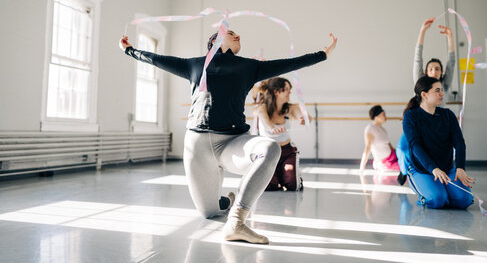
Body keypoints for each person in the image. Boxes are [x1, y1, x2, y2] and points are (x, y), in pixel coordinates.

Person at [119, 30, 337, 244]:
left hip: (233, 143)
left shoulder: (249, 66)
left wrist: (323, 54)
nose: (239, 36)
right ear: (215, 40)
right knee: (209, 212)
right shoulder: (195, 64)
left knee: (270, 149)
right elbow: (155, 59)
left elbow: (289, 63)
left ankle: (237, 221)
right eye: (232, 33)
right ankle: (228, 200)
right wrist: (129, 50)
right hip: (198, 147)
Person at [396, 17, 456, 184]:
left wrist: (450, 37)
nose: (434, 71)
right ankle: (404, 171)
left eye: (437, 69)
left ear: (441, 72)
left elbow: (452, 63)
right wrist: (422, 31)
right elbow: (417, 58)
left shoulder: (444, 84)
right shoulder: (420, 81)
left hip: (437, 127)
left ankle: (437, 174)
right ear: (426, 71)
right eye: (430, 68)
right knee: (403, 147)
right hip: (419, 123)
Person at [402, 76, 475, 209]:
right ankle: (429, 191)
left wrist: (460, 168)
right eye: (437, 90)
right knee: (437, 200)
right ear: (424, 94)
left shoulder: (448, 115)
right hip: (422, 170)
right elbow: (415, 146)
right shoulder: (411, 116)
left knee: (465, 200)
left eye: (442, 90)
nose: (442, 94)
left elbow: (459, 143)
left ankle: (444, 191)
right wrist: (433, 169)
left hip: (446, 170)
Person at [256, 77, 308, 191]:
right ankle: (278, 175)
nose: (289, 92)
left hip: (287, 152)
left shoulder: (290, 108)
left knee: (292, 185)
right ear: (276, 92)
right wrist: (272, 128)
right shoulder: (262, 108)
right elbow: (266, 123)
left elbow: (302, 114)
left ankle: (284, 175)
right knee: (269, 186)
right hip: (268, 153)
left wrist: (304, 118)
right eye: (286, 89)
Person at [359, 105, 400, 172]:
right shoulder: (370, 128)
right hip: (385, 163)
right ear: (376, 116)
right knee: (406, 168)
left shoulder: (383, 129)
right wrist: (362, 167)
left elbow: (389, 145)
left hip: (392, 157)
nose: (385, 117)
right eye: (383, 114)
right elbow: (367, 147)